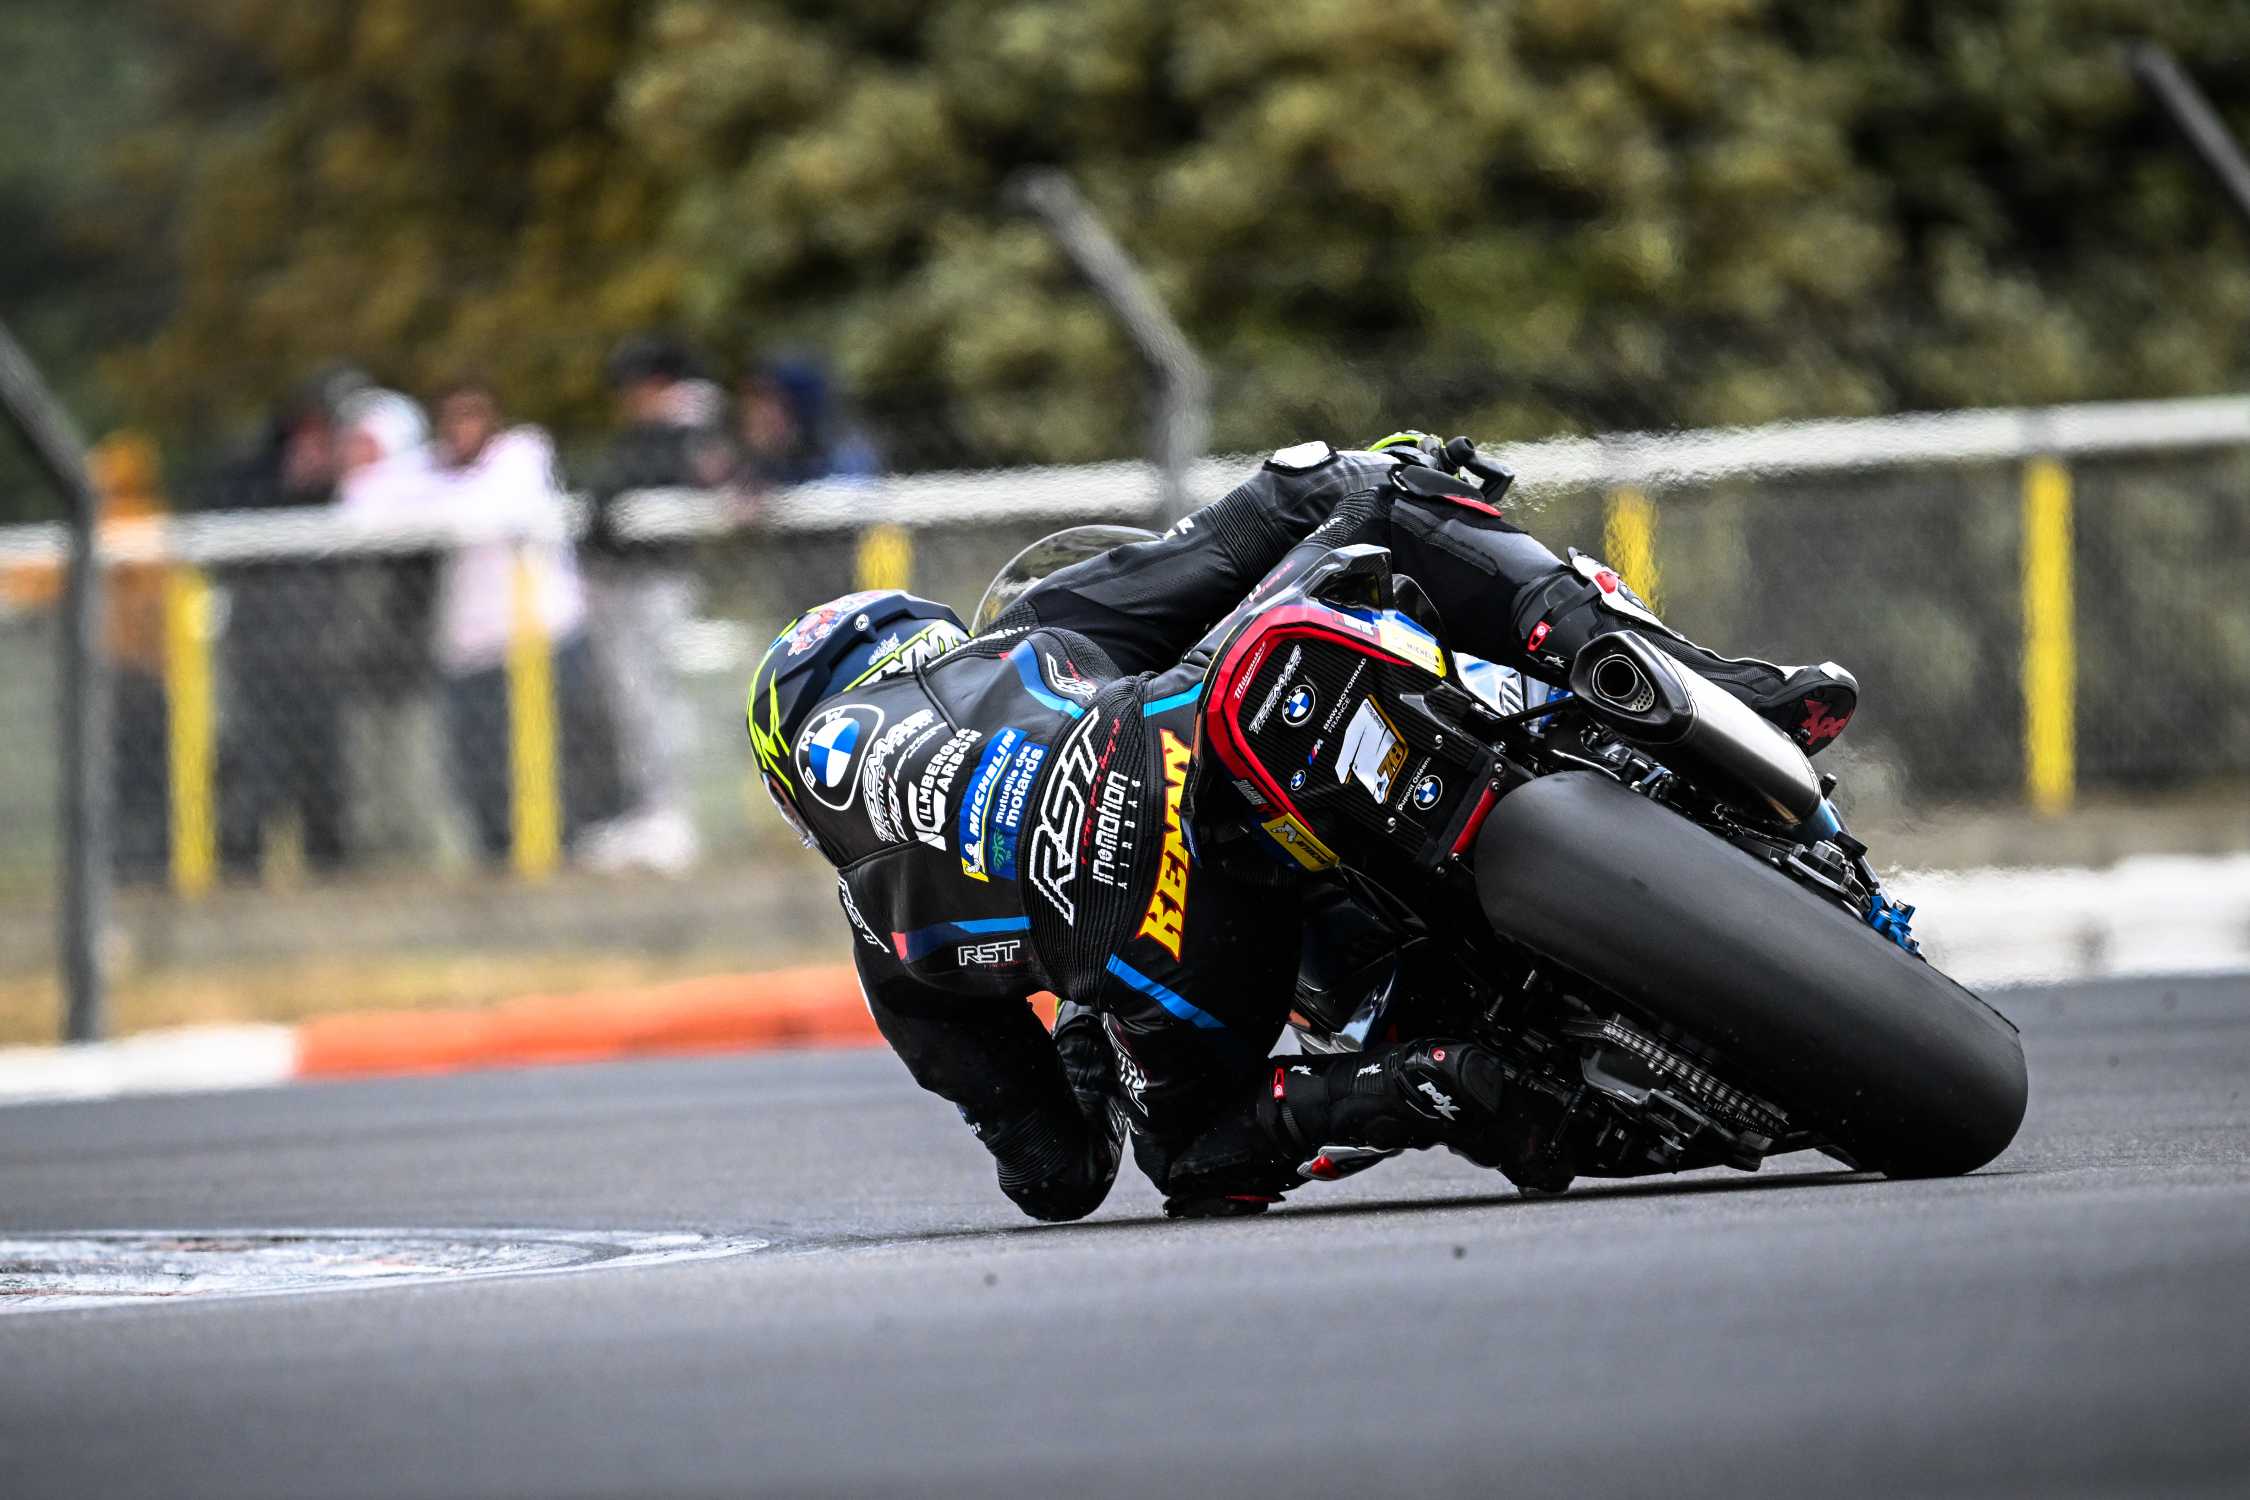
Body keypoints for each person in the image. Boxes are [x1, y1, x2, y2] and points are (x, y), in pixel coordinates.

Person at [747, 433, 1860, 1221]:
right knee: (1374, 496)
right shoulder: (1022, 632)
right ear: (923, 638)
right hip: (1176, 735)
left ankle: (1422, 1080)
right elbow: (1253, 521)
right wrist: (1379, 471)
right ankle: (1678, 680)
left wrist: (1081, 1006)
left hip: (1156, 944)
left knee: (1192, 1159)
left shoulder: (877, 932)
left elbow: (1059, 1175)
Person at [421, 378, 609, 867]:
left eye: (472, 414)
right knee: (481, 767)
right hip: (470, 647)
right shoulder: (428, 470)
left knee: (560, 760)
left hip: (545, 636)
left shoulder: (524, 455)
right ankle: (497, 856)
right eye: (452, 417)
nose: (461, 428)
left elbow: (478, 516)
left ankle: (572, 850)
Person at [574, 334, 735, 875]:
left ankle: (672, 817)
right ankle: (650, 813)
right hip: (628, 583)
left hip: (658, 581)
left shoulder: (690, 425)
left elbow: (641, 483)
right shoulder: (662, 430)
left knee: (657, 701)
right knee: (633, 704)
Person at [213, 367, 366, 878]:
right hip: (261, 649)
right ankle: (243, 864)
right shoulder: (252, 472)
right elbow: (226, 531)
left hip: (322, 650)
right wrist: (289, 485)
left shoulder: (347, 477)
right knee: (258, 766)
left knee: (325, 765)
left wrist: (328, 484)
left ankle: (330, 862)